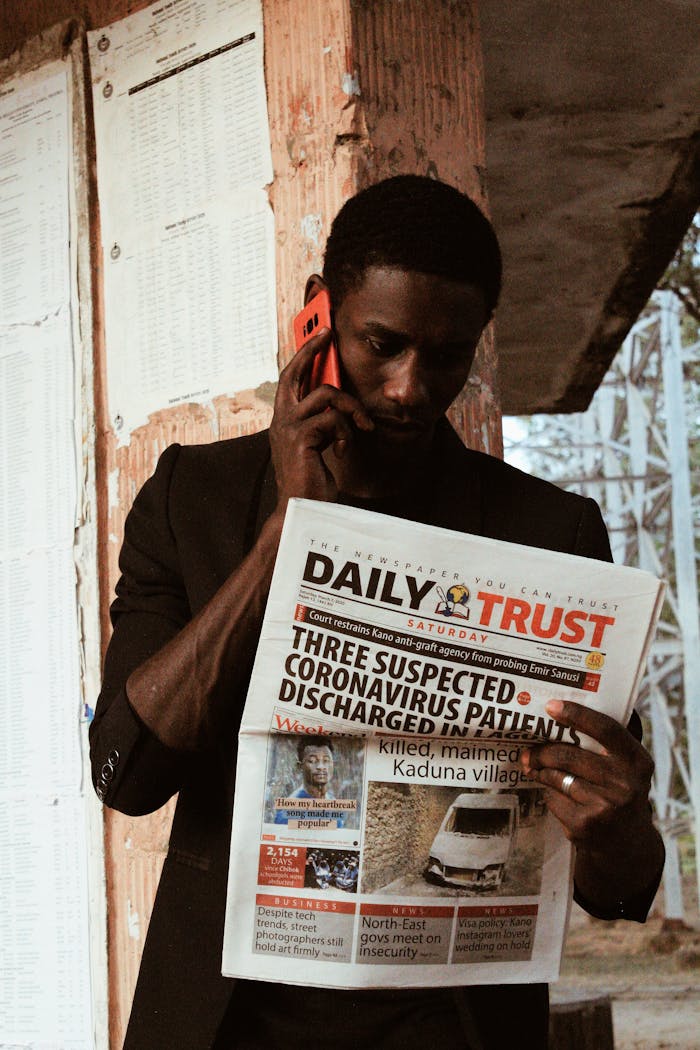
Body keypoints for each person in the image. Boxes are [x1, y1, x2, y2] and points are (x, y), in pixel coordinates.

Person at [91, 175, 664, 1050]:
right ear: (319, 317)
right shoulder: (191, 498)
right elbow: (125, 776)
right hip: (226, 1022)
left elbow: (618, 892)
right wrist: (287, 539)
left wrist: (618, 825)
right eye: (381, 344)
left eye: (445, 355)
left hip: (455, 1027)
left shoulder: (550, 533)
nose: (409, 388)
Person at [273, 737, 346, 826]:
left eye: (326, 760)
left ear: (333, 764)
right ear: (300, 766)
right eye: (312, 761)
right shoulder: (288, 811)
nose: (321, 766)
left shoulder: (333, 803)